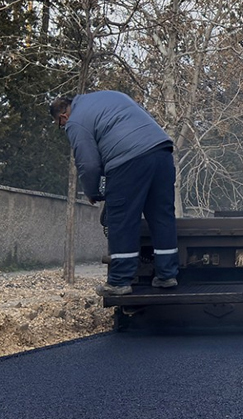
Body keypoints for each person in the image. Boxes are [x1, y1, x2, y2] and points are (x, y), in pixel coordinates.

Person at [51, 92, 179, 296]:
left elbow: (89, 164)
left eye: (60, 124)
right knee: (162, 216)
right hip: (161, 151)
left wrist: (92, 191)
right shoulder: (111, 97)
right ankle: (167, 275)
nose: (64, 127)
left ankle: (119, 282)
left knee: (122, 219)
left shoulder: (75, 121)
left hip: (128, 162)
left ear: (63, 117)